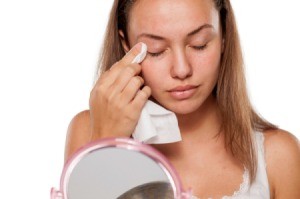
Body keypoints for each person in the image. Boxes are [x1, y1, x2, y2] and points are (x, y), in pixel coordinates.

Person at [64, 0, 300, 198]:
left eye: (199, 45)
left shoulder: (278, 156)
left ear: (224, 36)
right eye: (156, 50)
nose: (181, 69)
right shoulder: (90, 131)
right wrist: (106, 144)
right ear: (126, 45)